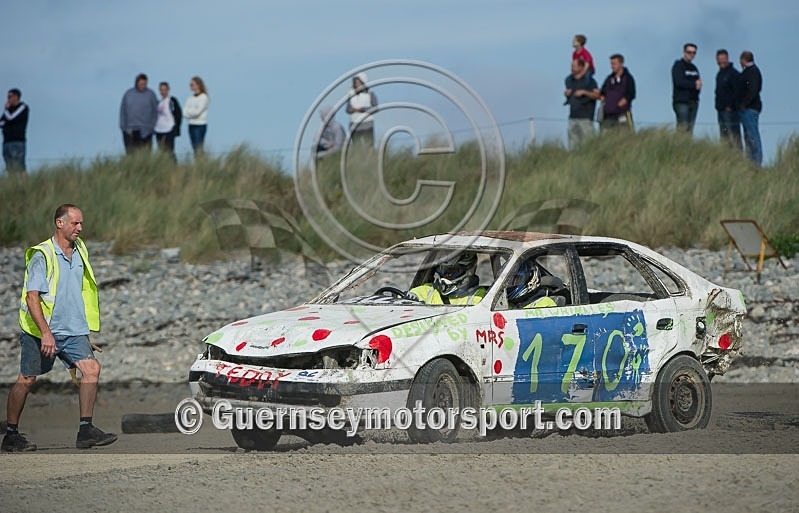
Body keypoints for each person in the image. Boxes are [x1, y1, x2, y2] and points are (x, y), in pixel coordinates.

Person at [2, 204, 117, 452]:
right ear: (59, 223)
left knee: (92, 369)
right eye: (75, 223)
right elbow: (33, 298)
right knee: (27, 379)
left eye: (81, 223)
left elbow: (76, 294)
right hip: (42, 332)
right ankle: (11, 435)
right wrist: (45, 332)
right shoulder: (42, 255)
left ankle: (86, 430)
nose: (80, 228)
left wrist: (84, 332)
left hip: (74, 331)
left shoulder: (80, 250)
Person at [408, 252, 486, 305]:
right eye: (443, 269)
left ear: (469, 271)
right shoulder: (424, 290)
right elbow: (399, 302)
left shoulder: (480, 297)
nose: (446, 275)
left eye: (452, 271)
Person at [564, 58, 600, 148]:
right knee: (573, 145)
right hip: (572, 118)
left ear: (581, 67)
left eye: (574, 66)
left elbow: (597, 96)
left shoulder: (590, 81)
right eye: (571, 66)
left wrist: (584, 92)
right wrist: (567, 94)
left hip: (586, 118)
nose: (572, 68)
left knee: (588, 145)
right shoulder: (570, 81)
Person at [119, 73, 158, 154]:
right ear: (136, 82)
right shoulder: (128, 94)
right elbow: (123, 111)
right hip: (130, 130)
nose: (142, 85)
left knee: (145, 155)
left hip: (146, 130)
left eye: (144, 84)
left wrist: (152, 127)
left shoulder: (151, 94)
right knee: (131, 154)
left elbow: (155, 111)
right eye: (140, 83)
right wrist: (123, 127)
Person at [738, 51, 763, 166]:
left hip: (750, 108)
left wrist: (744, 103)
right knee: (748, 136)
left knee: (752, 136)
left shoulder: (751, 72)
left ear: (743, 60)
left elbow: (753, 89)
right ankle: (750, 161)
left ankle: (756, 162)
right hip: (749, 107)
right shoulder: (752, 71)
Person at [599, 54, 636, 131]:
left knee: (625, 138)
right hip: (608, 116)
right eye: (611, 64)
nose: (612, 66)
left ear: (621, 63)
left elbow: (631, 94)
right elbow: (602, 93)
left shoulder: (628, 78)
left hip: (622, 115)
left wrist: (620, 104)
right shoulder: (609, 79)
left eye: (614, 64)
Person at [714, 49, 742, 150]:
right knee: (724, 136)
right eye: (719, 60)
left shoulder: (734, 74)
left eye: (723, 59)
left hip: (730, 111)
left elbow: (737, 92)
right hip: (720, 110)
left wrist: (731, 106)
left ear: (727, 59)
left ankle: (738, 157)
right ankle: (726, 158)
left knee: (734, 135)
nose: (721, 62)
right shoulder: (719, 74)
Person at [672, 43, 702, 133]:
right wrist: (694, 84)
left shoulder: (694, 68)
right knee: (683, 128)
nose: (691, 54)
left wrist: (698, 86)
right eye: (689, 52)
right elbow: (679, 82)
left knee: (690, 129)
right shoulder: (678, 66)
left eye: (694, 53)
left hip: (694, 102)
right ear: (684, 52)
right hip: (682, 102)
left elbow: (698, 83)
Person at [1, 88, 29, 174]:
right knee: (9, 168)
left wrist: (6, 110)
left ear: (16, 97)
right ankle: (12, 185)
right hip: (7, 141)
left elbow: (11, 117)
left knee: (20, 166)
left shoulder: (22, 107)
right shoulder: (9, 110)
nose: (8, 99)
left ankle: (25, 185)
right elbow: (1, 122)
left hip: (17, 142)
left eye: (10, 97)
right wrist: (7, 118)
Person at [346, 73, 378, 146]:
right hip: (354, 124)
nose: (357, 85)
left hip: (367, 124)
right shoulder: (351, 95)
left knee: (369, 145)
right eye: (355, 83)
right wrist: (352, 110)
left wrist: (363, 109)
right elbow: (347, 109)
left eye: (359, 83)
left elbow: (375, 108)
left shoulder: (370, 94)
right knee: (357, 146)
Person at [155, 82, 182, 162]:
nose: (163, 92)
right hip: (159, 129)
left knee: (170, 150)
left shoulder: (172, 101)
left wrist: (176, 127)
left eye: (164, 90)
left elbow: (178, 114)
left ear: (168, 90)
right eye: (161, 90)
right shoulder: (159, 102)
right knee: (161, 151)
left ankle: (174, 167)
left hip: (169, 129)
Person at [184, 76, 209, 157]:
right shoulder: (190, 98)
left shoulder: (203, 97)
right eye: (190, 85)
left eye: (192, 84)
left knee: (199, 147)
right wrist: (190, 113)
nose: (191, 86)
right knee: (194, 147)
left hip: (200, 125)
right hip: (191, 124)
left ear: (198, 85)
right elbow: (184, 112)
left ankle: (201, 164)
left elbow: (197, 112)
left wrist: (190, 112)